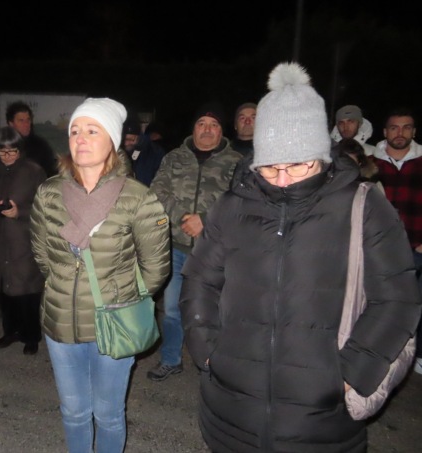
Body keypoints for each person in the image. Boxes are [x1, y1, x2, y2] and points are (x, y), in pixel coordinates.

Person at [180, 62, 421, 452]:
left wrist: (353, 374)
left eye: (297, 165)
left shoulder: (365, 206)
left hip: (321, 421)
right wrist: (207, 351)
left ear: (321, 156)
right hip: (231, 413)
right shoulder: (231, 205)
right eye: (270, 167)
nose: (283, 179)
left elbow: (397, 299)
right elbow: (199, 280)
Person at [30, 97, 170, 453]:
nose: (81, 138)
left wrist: (125, 296)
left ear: (112, 140)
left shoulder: (138, 197)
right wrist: (62, 286)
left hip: (116, 320)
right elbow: (43, 254)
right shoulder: (49, 192)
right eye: (75, 131)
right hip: (61, 321)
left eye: (92, 130)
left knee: (108, 414)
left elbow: (156, 267)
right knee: (74, 412)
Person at [147, 102, 242, 382]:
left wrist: (204, 220)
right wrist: (183, 218)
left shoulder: (236, 161)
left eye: (214, 125)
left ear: (222, 131)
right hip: (177, 248)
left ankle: (217, 366)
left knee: (215, 312)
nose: (207, 129)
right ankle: (171, 359)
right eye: (202, 123)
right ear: (194, 128)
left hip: (216, 252)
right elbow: (157, 191)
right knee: (172, 309)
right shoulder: (174, 157)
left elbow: (241, 201)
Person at [0, 126, 47, 355]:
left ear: (20, 150)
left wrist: (20, 212)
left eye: (12, 151)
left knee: (28, 290)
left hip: (24, 240)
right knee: (4, 291)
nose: (7, 156)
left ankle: (31, 336)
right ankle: (11, 331)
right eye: (2, 151)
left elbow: (46, 208)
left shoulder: (34, 171)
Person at [372, 107, 422, 374]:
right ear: (385, 132)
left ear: (414, 131)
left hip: (418, 247)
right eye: (394, 127)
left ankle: (418, 355)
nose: (400, 133)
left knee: (417, 304)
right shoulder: (371, 162)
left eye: (406, 127)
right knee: (381, 304)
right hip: (379, 249)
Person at [6, 100, 58, 177]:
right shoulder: (2, 146)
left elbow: (51, 175)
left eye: (28, 120)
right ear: (11, 124)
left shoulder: (41, 146)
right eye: (21, 121)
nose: (26, 124)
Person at [122, 117, 165, 186]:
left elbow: (162, 181)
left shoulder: (155, 152)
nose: (126, 143)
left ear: (138, 137)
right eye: (124, 140)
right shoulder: (115, 150)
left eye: (131, 139)